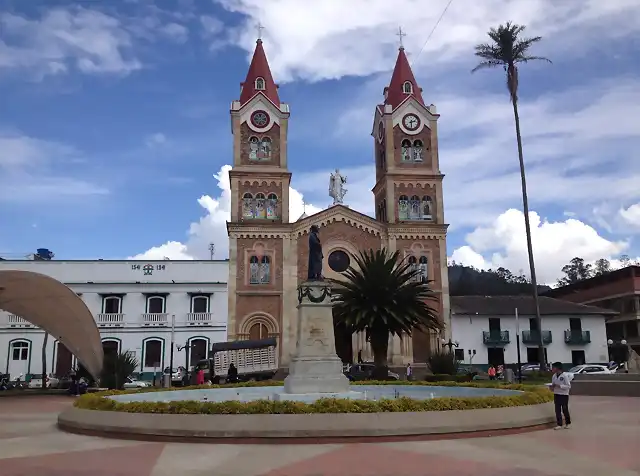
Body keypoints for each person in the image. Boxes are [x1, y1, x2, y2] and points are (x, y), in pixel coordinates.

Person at [550, 361, 573, 430]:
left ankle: (568, 423)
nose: (552, 369)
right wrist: (552, 387)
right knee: (557, 410)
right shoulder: (554, 376)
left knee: (564, 409)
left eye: (554, 368)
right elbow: (553, 384)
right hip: (556, 394)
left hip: (564, 395)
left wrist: (560, 386)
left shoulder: (564, 376)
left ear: (558, 368)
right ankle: (559, 424)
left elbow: (569, 386)